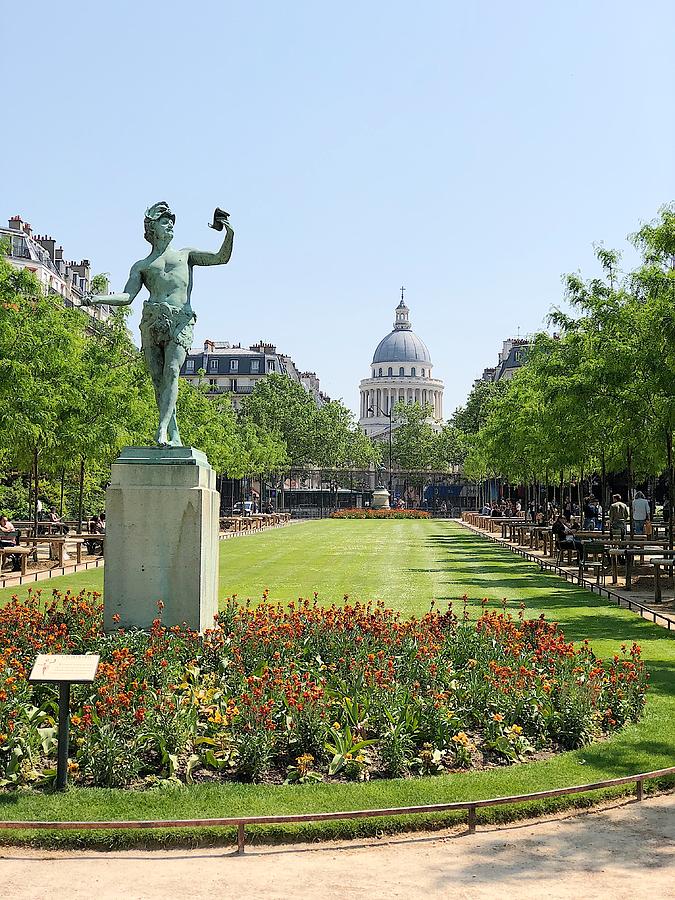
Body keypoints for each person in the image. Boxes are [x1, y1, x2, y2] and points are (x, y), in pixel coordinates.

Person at [82, 202, 234, 447]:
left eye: (172, 221)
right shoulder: (142, 266)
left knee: (172, 372)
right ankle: (174, 435)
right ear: (152, 229)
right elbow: (127, 297)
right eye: (164, 221)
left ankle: (161, 429)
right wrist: (96, 298)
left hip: (179, 320)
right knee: (158, 381)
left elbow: (221, 258)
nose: (171, 225)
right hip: (152, 321)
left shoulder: (186, 255)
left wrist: (229, 232)